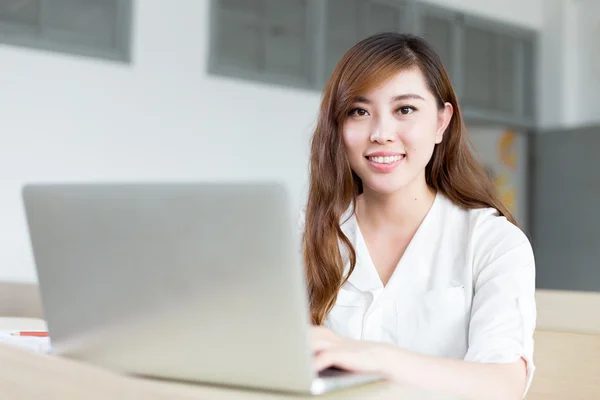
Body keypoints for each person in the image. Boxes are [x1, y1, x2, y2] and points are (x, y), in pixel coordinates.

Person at [300, 32, 536, 400]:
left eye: (404, 110)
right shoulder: (302, 234)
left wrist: (371, 357)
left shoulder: (493, 242)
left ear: (442, 122)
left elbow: (502, 385)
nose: (381, 134)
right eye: (359, 111)